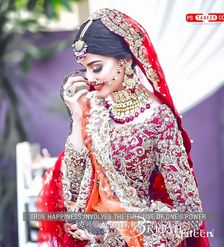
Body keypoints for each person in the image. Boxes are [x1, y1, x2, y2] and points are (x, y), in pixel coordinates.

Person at [37, 8, 210, 247]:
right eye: (85, 69)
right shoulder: (94, 108)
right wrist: (77, 119)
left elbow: (188, 215)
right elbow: (72, 193)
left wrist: (111, 229)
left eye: (96, 67)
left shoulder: (158, 119)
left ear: (126, 60)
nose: (90, 78)